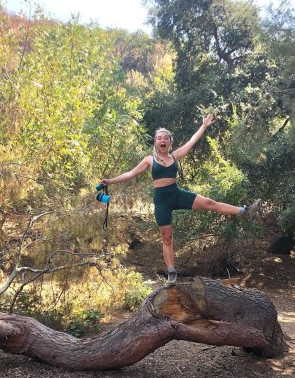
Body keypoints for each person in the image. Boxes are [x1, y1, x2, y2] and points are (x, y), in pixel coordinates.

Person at [101, 114, 261, 285]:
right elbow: (130, 173)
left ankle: (244, 211)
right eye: (159, 138)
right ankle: (171, 273)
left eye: (166, 138)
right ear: (156, 142)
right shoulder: (149, 160)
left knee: (210, 203)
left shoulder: (175, 156)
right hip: (162, 201)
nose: (162, 140)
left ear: (169, 142)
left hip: (177, 194)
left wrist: (204, 126)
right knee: (167, 239)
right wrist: (111, 181)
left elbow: (192, 141)